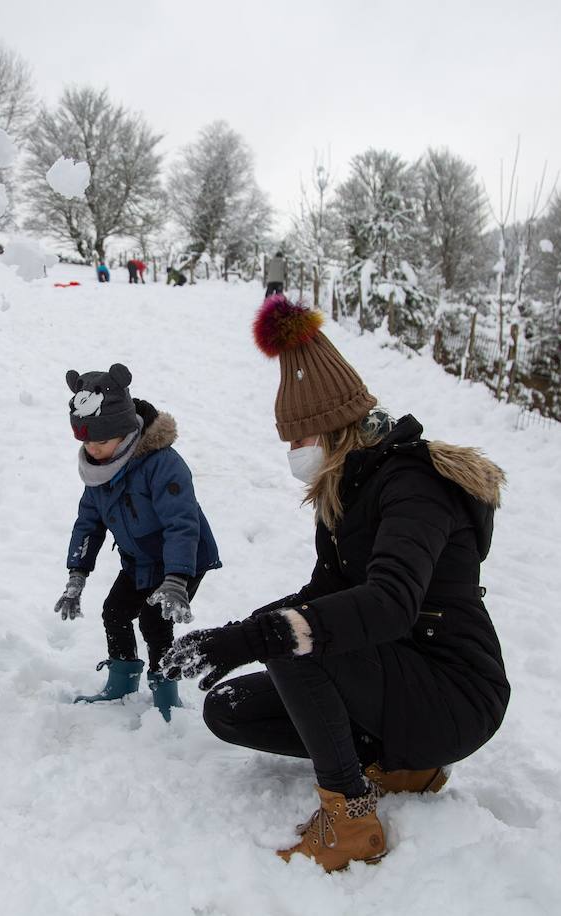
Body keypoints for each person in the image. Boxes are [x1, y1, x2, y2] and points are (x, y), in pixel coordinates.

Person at [163, 294, 510, 872]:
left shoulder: (413, 487)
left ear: (331, 430)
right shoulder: (349, 489)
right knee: (229, 709)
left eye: (298, 441)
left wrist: (269, 637)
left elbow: (390, 604)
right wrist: (228, 640)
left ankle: (350, 819)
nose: (294, 454)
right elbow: (323, 593)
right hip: (401, 679)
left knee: (298, 642)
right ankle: (401, 765)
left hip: (455, 696)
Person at [54, 363, 221, 721]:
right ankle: (122, 682)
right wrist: (76, 575)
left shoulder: (163, 465)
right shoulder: (100, 471)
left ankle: (165, 692)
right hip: (139, 560)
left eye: (100, 441)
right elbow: (88, 522)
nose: (92, 449)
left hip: (183, 558)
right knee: (114, 612)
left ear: (125, 432)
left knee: (154, 621)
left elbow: (182, 523)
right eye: (86, 441)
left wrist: (176, 580)